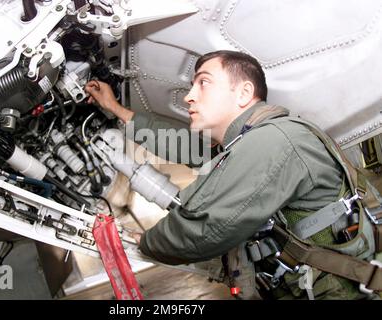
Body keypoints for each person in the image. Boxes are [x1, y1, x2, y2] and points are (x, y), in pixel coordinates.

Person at [84, 50, 382, 300]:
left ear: (244, 93)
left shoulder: (272, 141)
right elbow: (183, 145)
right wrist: (116, 109)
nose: (189, 96)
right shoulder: (252, 138)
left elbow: (202, 230)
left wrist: (147, 241)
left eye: (203, 83)